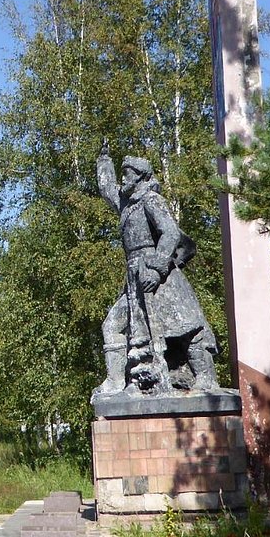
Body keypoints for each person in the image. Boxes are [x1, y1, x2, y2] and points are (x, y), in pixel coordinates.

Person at [94, 144, 219, 395]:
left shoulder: (151, 200)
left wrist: (157, 268)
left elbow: (170, 232)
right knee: (112, 326)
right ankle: (116, 382)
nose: (123, 178)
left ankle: (206, 379)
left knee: (187, 328)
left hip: (158, 275)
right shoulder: (128, 203)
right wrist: (103, 161)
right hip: (134, 276)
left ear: (140, 176)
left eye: (127, 173)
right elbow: (107, 189)